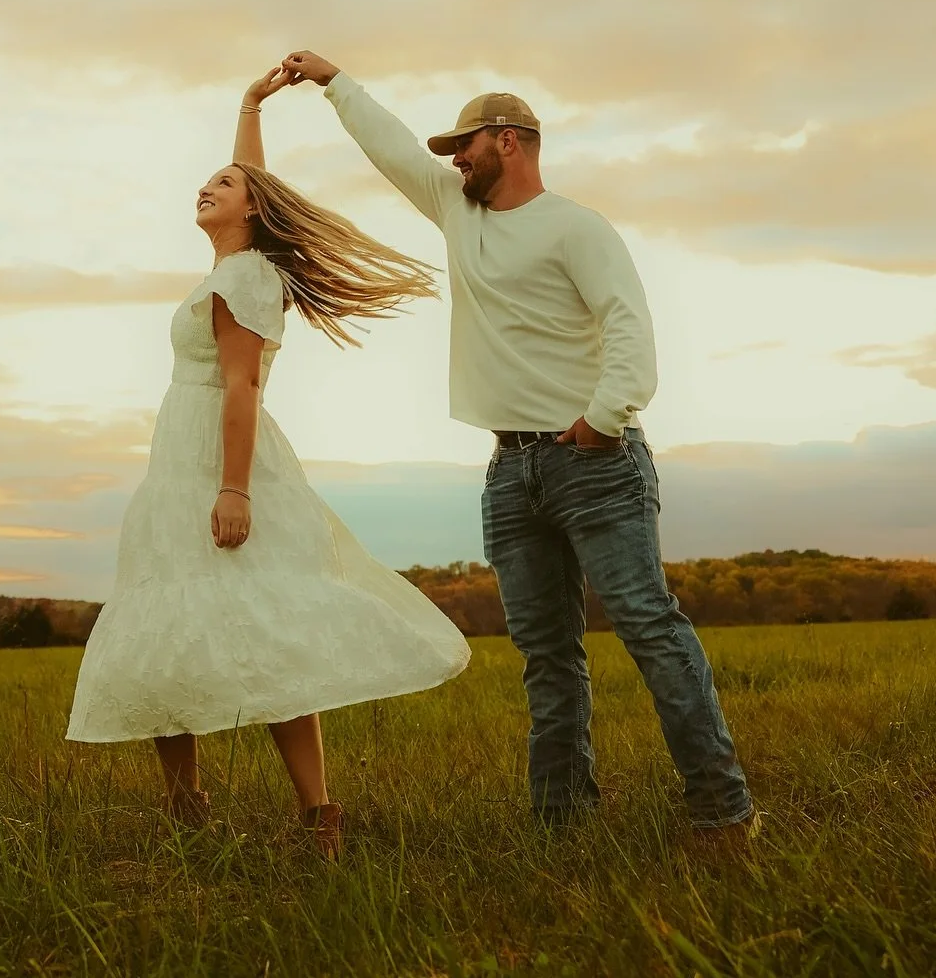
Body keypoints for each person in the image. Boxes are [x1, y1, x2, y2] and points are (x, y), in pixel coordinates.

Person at [281, 51, 755, 839]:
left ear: (509, 140)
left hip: (597, 464)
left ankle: (722, 811)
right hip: (511, 471)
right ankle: (563, 821)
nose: (453, 159)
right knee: (547, 656)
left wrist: (604, 418)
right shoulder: (458, 212)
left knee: (648, 626)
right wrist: (336, 84)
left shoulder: (576, 226)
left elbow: (629, 327)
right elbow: (393, 147)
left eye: (465, 144)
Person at [66, 66, 470, 859]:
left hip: (219, 462)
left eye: (222, 182)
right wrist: (250, 106)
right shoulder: (231, 268)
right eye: (205, 181)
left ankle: (320, 816)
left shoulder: (247, 277)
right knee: (166, 626)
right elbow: (251, 184)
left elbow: (242, 386)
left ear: (251, 206)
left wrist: (232, 490)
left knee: (269, 630)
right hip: (179, 462)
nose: (206, 188)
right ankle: (186, 809)